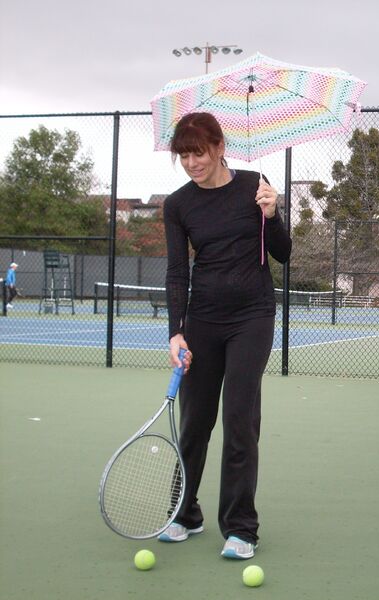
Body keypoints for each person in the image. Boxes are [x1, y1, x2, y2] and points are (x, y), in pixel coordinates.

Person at [158, 112, 291, 560]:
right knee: (195, 423)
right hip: (203, 321)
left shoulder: (255, 184)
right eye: (184, 155)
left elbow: (283, 253)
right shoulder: (178, 205)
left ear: (219, 147)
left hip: (252, 316)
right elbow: (178, 272)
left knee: (239, 418)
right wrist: (176, 332)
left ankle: (241, 527)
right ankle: (184, 512)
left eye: (198, 152)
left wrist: (273, 215)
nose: (191, 162)